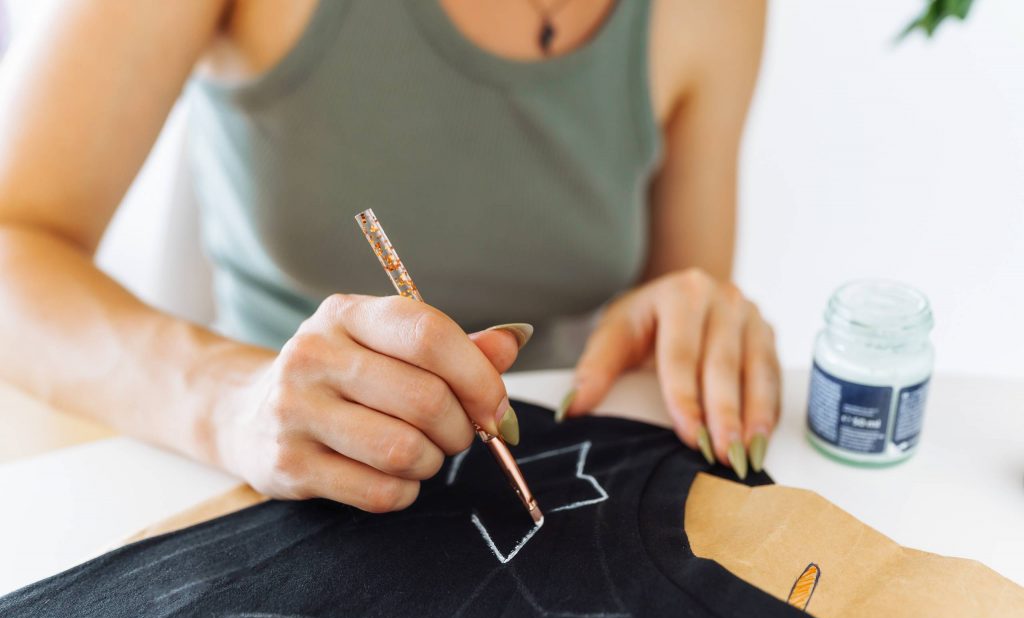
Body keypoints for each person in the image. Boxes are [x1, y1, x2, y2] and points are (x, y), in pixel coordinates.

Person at [0, 0, 779, 513]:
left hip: (553, 470)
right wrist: (233, 403)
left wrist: (684, 315)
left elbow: (679, 289)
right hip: (258, 474)